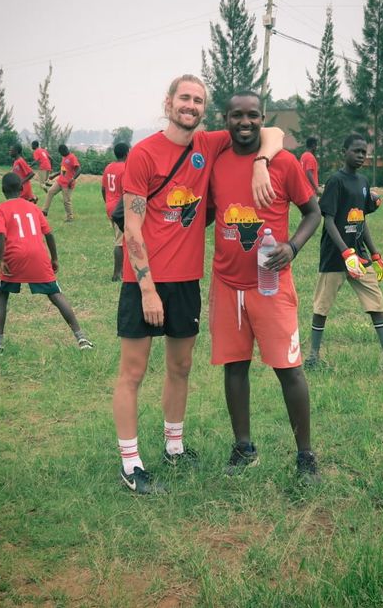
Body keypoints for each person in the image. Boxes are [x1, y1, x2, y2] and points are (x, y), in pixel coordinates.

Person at [112, 73, 280, 495]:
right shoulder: (144, 153)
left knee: (181, 367)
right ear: (168, 103)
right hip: (145, 282)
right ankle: (131, 465)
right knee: (133, 372)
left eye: (198, 101)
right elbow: (132, 227)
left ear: (205, 110)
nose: (190, 106)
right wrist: (147, 288)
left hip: (187, 281)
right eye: (184, 98)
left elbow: (273, 131)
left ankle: (174, 445)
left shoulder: (209, 144)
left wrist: (260, 162)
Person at [208, 91, 323, 482]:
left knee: (289, 369)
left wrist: (293, 246)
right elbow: (206, 211)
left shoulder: (284, 161)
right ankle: (243, 447)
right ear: (225, 119)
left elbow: (313, 212)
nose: (245, 122)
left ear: (263, 118)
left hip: (270, 284)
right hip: (226, 283)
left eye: (252, 115)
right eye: (237, 115)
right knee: (234, 367)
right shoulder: (216, 161)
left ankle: (306, 456)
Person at [306, 133, 383, 371]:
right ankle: (312, 359)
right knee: (322, 306)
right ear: (343, 152)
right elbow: (328, 221)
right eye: (356, 151)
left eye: (364, 152)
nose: (360, 156)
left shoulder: (364, 182)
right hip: (335, 256)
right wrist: (345, 253)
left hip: (359, 255)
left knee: (376, 302)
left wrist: (375, 254)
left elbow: (361, 220)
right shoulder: (336, 181)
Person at [0, 172, 92, 354]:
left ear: (3, 190)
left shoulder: (1, 209)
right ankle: (82, 338)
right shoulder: (33, 208)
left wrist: (1, 259)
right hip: (38, 255)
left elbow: (0, 234)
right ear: (21, 189)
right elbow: (49, 234)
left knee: (2, 294)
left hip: (14, 256)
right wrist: (55, 258)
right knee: (55, 294)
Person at [101, 142, 129, 281]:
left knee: (122, 239)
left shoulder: (108, 167)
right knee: (119, 242)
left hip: (110, 206)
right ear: (127, 154)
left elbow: (103, 189)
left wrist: (107, 203)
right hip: (120, 208)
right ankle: (117, 274)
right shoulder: (126, 168)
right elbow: (127, 191)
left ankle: (124, 270)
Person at [42, 144, 80, 221]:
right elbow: (63, 170)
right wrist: (54, 175)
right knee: (50, 192)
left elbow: (79, 169)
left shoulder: (72, 157)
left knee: (66, 201)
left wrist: (72, 179)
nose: (60, 154)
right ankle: (45, 211)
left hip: (68, 183)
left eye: (60, 152)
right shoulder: (64, 158)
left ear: (64, 150)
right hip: (60, 181)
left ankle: (70, 217)